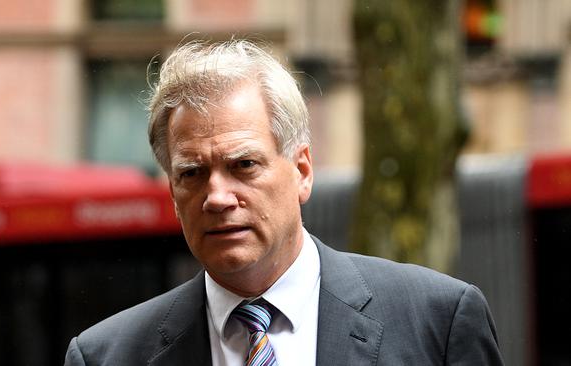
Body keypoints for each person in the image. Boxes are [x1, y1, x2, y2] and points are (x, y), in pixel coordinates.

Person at [65, 39, 503, 365]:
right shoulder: (106, 356)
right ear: (173, 192)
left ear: (302, 171)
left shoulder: (437, 322)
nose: (216, 197)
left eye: (244, 165)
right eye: (192, 173)